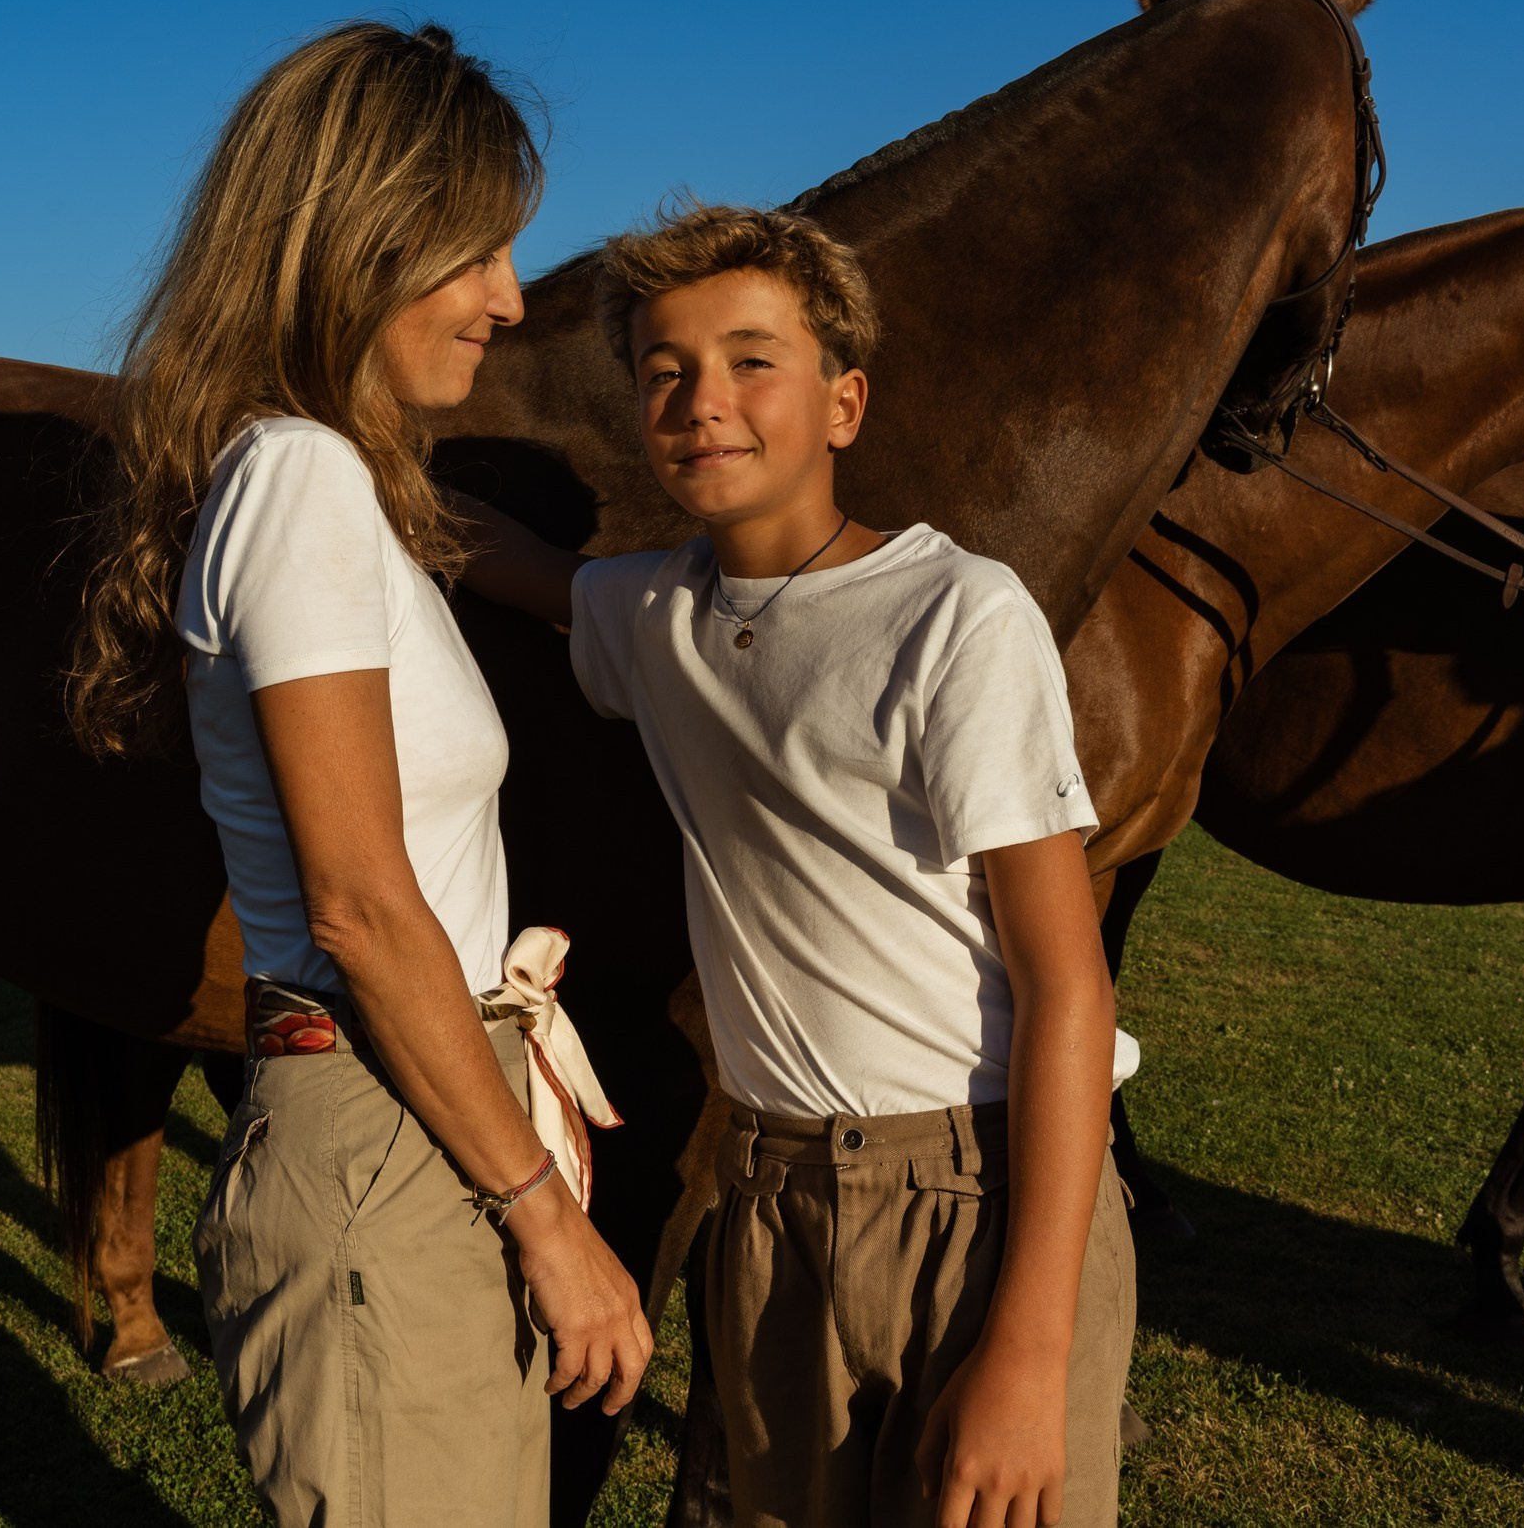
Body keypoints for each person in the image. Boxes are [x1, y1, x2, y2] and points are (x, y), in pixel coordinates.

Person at [457, 203, 1136, 1528]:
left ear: (845, 402)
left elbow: (1069, 988)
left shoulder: (955, 616)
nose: (704, 400)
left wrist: (1029, 1352)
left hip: (976, 1190)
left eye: (753, 360)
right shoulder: (654, 614)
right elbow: (510, 561)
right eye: (666, 371)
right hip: (765, 1193)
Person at [66, 21, 652, 1528]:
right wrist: (543, 1215)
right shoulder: (303, 480)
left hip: (431, 1101)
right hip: (389, 1127)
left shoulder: (355, 487)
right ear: (357, 237)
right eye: (477, 255)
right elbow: (363, 904)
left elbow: (520, 574)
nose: (511, 302)